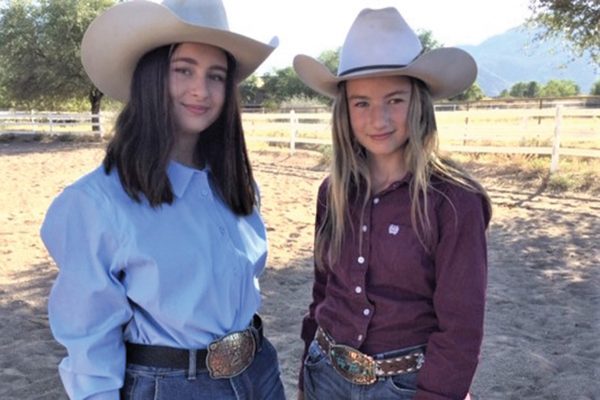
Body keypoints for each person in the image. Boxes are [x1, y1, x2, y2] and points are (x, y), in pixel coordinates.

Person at [40, 0, 286, 399]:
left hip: (259, 373)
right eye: (183, 70)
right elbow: (89, 339)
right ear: (151, 76)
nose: (200, 90)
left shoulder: (235, 184)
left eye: (216, 75)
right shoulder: (96, 203)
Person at [293, 7, 492, 400]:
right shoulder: (333, 192)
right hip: (325, 375)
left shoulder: (453, 202)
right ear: (344, 112)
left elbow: (461, 326)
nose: (378, 119)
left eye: (394, 100)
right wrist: (305, 375)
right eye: (361, 103)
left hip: (405, 386)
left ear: (418, 103)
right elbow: (323, 293)